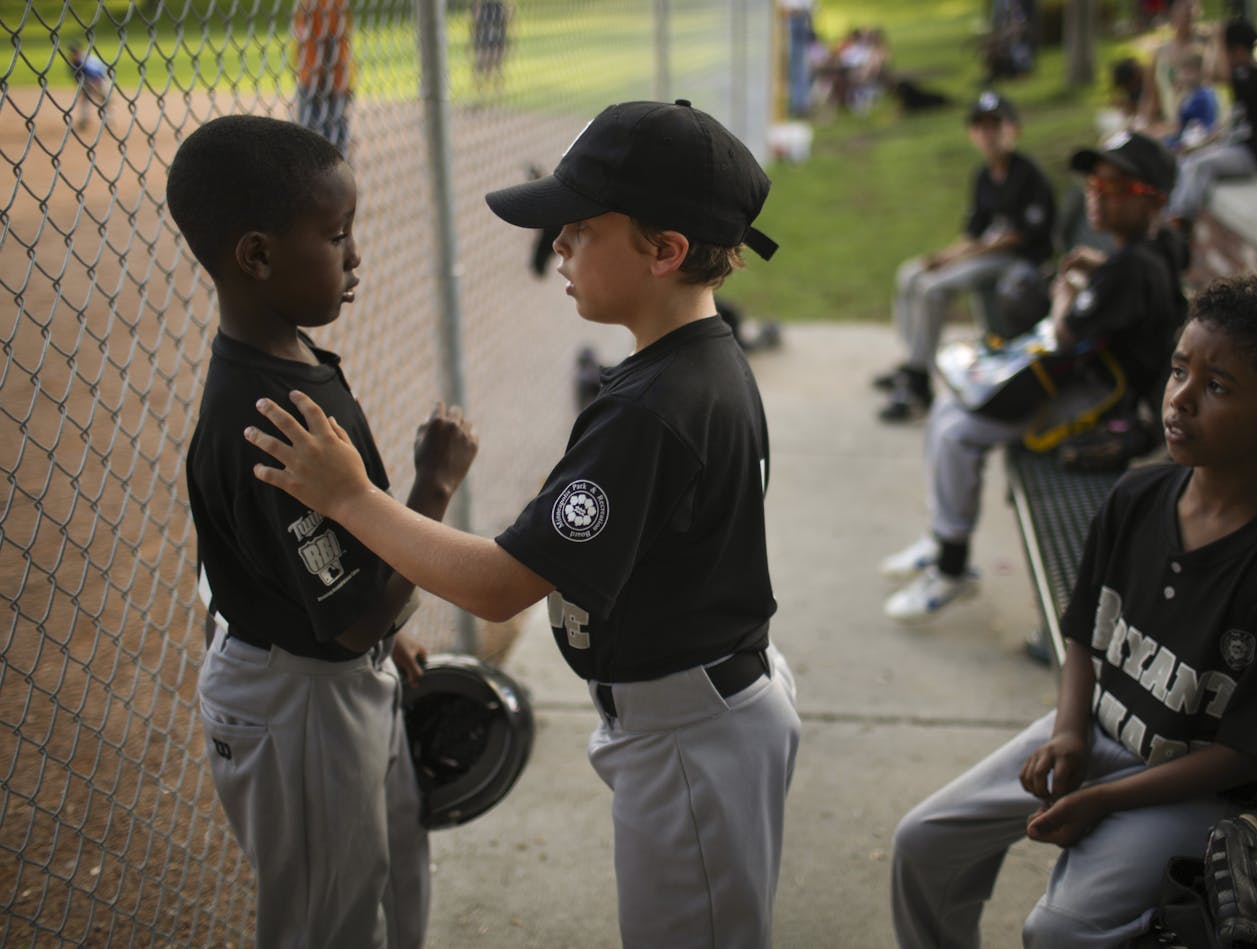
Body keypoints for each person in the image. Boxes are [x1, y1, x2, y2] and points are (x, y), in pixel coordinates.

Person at [243, 99, 801, 949]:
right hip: (700, 712)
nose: (558, 246)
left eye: (580, 227)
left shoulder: (656, 409)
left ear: (667, 250)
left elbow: (501, 585)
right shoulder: (694, 364)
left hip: (693, 737)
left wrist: (350, 496)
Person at [890, 273, 1257, 948]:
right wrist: (1070, 731)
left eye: (1217, 387)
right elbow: (1083, 631)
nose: (1180, 399)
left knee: (1056, 930)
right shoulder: (1137, 496)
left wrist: (1102, 800)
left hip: (1196, 789)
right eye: (1178, 371)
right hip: (1098, 735)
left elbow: (1249, 756)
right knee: (922, 842)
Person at [166, 115, 477, 946]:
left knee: (388, 872)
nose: (355, 256)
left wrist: (384, 632)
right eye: (336, 235)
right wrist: (432, 488)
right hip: (300, 692)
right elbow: (352, 618)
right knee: (326, 920)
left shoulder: (287, 360)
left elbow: (340, 580)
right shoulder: (272, 422)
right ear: (258, 256)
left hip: (333, 666)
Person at [881, 132, 1185, 621]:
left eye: (1116, 186)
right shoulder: (1151, 249)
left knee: (959, 430)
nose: (1097, 192)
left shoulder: (1136, 266)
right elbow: (1136, 277)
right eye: (1093, 181)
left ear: (1153, 199)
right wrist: (1100, 266)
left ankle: (952, 567)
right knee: (948, 405)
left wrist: (1067, 292)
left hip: (1111, 402)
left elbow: (1066, 333)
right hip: (1095, 381)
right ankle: (942, 537)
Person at [876, 91, 1057, 422]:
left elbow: (1020, 236)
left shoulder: (1028, 173)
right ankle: (912, 359)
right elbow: (974, 233)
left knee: (934, 288)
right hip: (986, 257)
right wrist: (943, 256)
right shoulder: (984, 177)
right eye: (981, 127)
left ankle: (918, 380)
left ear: (1013, 129)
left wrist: (966, 255)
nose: (989, 134)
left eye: (996, 125)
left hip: (1018, 263)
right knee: (911, 272)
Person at [1165, 19, 1257, 229]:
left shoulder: (1249, 75)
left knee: (1201, 166)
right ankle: (1173, 213)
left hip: (1250, 156)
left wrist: (1217, 38)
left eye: (1223, 51)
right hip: (1235, 148)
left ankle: (1180, 220)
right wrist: (1199, 145)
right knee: (1188, 161)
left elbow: (1213, 75)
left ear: (1237, 51)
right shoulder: (1245, 77)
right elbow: (1227, 126)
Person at [293, 0, 353, 154]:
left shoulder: (330, 5)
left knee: (324, 139)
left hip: (326, 81)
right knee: (316, 137)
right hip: (315, 79)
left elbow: (332, 41)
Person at [1137, 0, 1206, 132]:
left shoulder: (1207, 47)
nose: (1188, 15)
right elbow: (1150, 95)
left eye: (1192, 9)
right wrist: (1143, 122)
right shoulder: (1159, 53)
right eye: (1183, 10)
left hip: (1202, 125)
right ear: (1171, 13)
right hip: (1172, 126)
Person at [1162, 49, 1220, 152]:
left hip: (1196, 141)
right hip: (1184, 138)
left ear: (1200, 72)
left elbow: (1204, 128)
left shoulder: (1203, 96)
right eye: (1182, 71)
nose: (1184, 76)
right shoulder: (1189, 95)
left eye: (1188, 72)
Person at [66, 42, 110, 131]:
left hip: (99, 80)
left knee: (104, 99)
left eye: (74, 52)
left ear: (79, 52)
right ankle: (85, 120)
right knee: (84, 100)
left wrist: (96, 86)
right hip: (87, 82)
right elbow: (77, 77)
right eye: (72, 52)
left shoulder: (86, 61)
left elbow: (97, 73)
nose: (72, 54)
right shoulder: (74, 62)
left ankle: (108, 120)